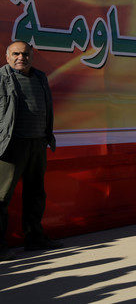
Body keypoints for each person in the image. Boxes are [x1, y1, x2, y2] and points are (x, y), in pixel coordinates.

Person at [1, 41, 63, 260]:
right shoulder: (1, 78)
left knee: (35, 194)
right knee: (1, 197)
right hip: (10, 145)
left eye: (25, 54)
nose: (21, 57)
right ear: (7, 56)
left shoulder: (40, 78)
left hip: (37, 143)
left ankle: (35, 239)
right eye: (16, 54)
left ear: (31, 56)